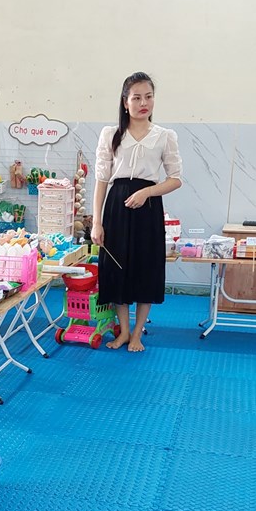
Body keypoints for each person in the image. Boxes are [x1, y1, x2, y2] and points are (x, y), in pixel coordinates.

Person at [91, 72, 183, 351]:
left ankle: (138, 334)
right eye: (137, 97)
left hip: (148, 209)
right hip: (116, 208)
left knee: (146, 268)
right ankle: (123, 331)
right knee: (116, 267)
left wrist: (147, 192)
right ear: (125, 101)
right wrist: (97, 222)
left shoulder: (164, 136)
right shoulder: (111, 134)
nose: (144, 103)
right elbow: (101, 180)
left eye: (149, 97)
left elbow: (175, 179)